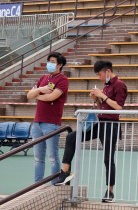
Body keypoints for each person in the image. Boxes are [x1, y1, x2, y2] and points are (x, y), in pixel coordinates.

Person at [56, 61, 127, 204]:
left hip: (110, 125)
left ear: (107, 71)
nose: (99, 78)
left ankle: (110, 191)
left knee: (108, 158)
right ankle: (65, 172)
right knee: (71, 137)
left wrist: (102, 96)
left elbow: (119, 107)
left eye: (100, 74)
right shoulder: (106, 86)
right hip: (98, 122)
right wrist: (97, 99)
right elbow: (103, 107)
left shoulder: (120, 85)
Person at [27, 52, 69, 183]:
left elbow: (51, 97)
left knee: (52, 157)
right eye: (49, 61)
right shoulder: (43, 78)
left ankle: (54, 184)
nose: (49, 64)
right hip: (37, 123)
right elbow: (29, 95)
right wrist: (41, 89)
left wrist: (37, 94)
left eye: (53, 62)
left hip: (51, 123)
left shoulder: (62, 80)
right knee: (38, 158)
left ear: (60, 65)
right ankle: (37, 184)